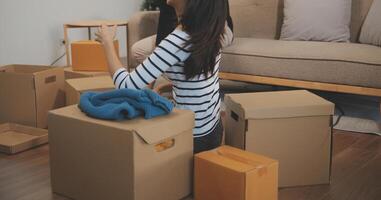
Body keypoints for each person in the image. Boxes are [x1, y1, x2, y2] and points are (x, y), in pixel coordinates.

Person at [96, 0, 228, 153]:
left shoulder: (179, 41)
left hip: (191, 136)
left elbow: (126, 85)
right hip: (213, 127)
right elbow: (197, 80)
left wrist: (107, 42)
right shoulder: (210, 28)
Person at [132, 0, 234, 65]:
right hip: (183, 29)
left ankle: (190, 83)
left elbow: (219, 11)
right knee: (138, 50)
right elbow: (165, 27)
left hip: (218, 28)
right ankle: (181, 81)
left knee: (191, 48)